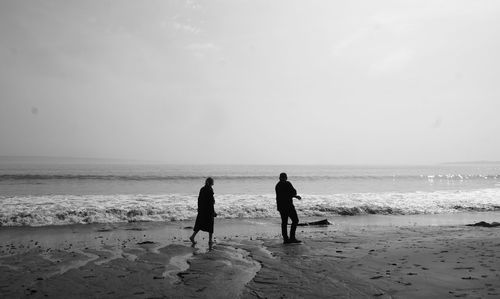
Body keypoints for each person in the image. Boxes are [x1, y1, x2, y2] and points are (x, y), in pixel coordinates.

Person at [190, 177, 217, 249]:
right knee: (210, 225)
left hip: (202, 210)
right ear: (210, 182)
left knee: (199, 224)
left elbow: (199, 199)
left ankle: (192, 237)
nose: (213, 182)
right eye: (213, 181)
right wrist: (213, 211)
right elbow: (211, 203)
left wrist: (199, 208)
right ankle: (210, 240)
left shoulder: (202, 189)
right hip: (208, 210)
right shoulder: (210, 190)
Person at [275, 173, 302, 244]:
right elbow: (292, 192)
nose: (283, 179)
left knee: (285, 222)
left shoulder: (278, 185)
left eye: (283, 178)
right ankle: (291, 238)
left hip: (282, 206)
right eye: (283, 178)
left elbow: (291, 193)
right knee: (294, 220)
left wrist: (294, 195)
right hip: (288, 206)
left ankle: (286, 239)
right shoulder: (285, 184)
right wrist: (295, 196)